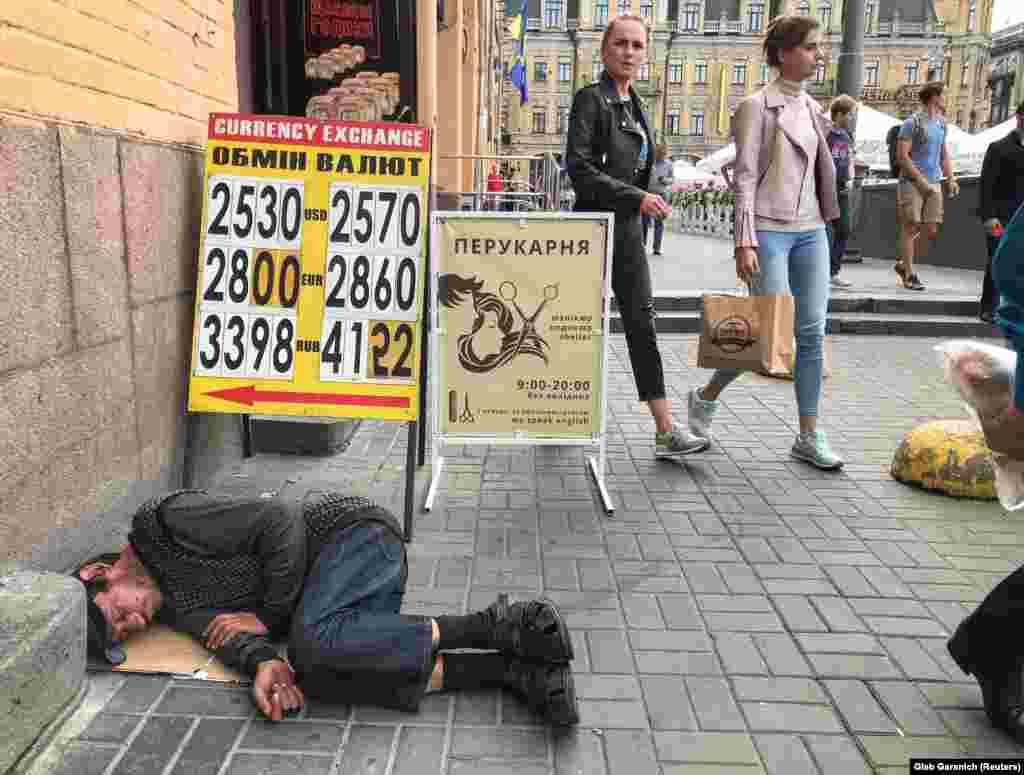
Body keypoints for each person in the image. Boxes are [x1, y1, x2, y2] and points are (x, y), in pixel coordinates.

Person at [72, 490, 579, 725]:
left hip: (353, 536)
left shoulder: (165, 522)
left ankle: (498, 625)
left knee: (311, 645)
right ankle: (505, 672)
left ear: (98, 574)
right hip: (333, 597)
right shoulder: (173, 607)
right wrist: (266, 664)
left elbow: (280, 518)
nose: (136, 623)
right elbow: (230, 637)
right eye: (127, 635)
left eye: (118, 615)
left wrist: (269, 618)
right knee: (310, 673)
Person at [684, 14, 844, 471]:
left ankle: (808, 435)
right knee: (767, 333)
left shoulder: (814, 107)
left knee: (811, 332)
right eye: (811, 47)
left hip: (813, 231)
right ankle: (706, 396)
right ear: (783, 53)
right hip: (769, 231)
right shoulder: (757, 106)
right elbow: (747, 178)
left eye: (819, 47)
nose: (818, 55)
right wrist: (744, 240)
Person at [566, 14, 708, 459]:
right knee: (572, 325)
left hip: (625, 229)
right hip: (592, 227)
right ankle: (553, 414)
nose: (629, 52)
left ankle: (665, 429)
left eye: (637, 46)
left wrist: (650, 193)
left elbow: (635, 167)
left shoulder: (635, 105)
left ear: (645, 54)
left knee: (641, 323)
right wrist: (637, 196)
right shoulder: (592, 100)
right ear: (604, 51)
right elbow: (579, 168)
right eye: (621, 44)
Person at [894, 82, 960, 291]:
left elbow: (943, 154)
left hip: (934, 181)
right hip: (912, 182)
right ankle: (910, 274)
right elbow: (902, 157)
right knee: (910, 225)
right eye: (944, 94)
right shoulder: (911, 123)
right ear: (933, 97)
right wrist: (921, 182)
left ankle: (904, 263)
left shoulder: (942, 124)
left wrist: (951, 178)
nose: (946, 98)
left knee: (931, 229)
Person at [978, 101, 1024, 323]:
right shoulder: (998, 148)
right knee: (997, 261)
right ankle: (989, 307)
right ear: (1019, 117)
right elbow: (986, 186)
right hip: (1001, 220)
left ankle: (1015, 310)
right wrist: (989, 217)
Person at [826, 94, 857, 289]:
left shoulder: (847, 136)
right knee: (822, 230)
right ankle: (821, 271)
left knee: (844, 228)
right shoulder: (826, 134)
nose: (852, 118)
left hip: (843, 188)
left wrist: (851, 177)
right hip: (826, 188)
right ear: (839, 114)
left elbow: (850, 158)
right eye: (850, 114)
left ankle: (833, 272)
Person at [643, 144, 674, 255]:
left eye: (663, 153)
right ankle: (643, 245)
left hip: (661, 195)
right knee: (644, 221)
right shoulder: (649, 162)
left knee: (659, 222)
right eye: (659, 152)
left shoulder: (669, 164)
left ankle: (657, 248)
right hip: (648, 194)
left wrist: (665, 180)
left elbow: (672, 179)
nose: (661, 155)